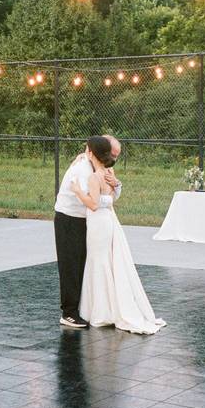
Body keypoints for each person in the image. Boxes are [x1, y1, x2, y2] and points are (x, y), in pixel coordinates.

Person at [71, 136, 165, 334]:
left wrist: (78, 192)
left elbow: (95, 204)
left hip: (98, 222)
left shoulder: (96, 176)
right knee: (105, 260)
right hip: (107, 220)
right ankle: (108, 306)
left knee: (99, 261)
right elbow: (110, 199)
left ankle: (101, 309)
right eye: (113, 154)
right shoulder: (106, 170)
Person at [54, 134, 122, 328]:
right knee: (70, 265)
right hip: (69, 218)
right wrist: (104, 197)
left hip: (90, 221)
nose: (113, 158)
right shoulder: (82, 169)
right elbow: (93, 201)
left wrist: (114, 185)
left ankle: (86, 307)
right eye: (112, 153)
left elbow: (108, 196)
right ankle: (69, 313)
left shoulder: (101, 168)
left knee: (86, 263)